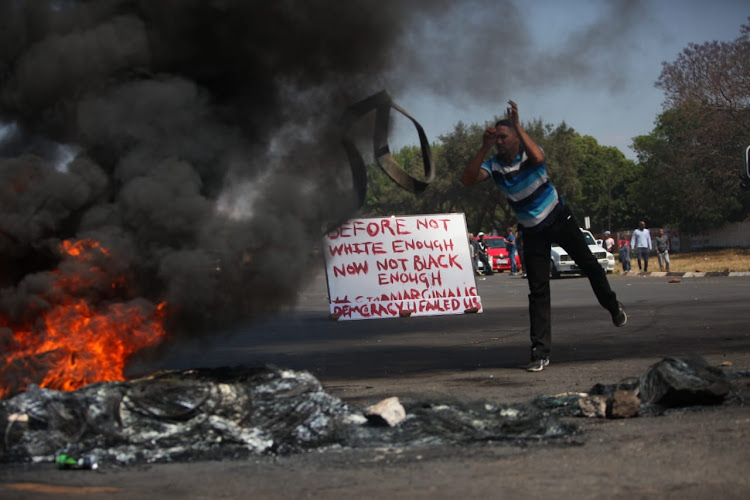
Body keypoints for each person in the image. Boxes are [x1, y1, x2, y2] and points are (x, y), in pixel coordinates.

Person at [461, 100, 626, 372]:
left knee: (590, 265)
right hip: (532, 231)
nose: (500, 142)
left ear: (516, 138)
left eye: (504, 138)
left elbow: (539, 158)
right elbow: (467, 179)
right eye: (497, 138)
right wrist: (484, 146)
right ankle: (539, 352)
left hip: (559, 218)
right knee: (538, 291)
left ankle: (613, 306)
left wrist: (518, 125)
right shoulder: (494, 166)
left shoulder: (529, 154)